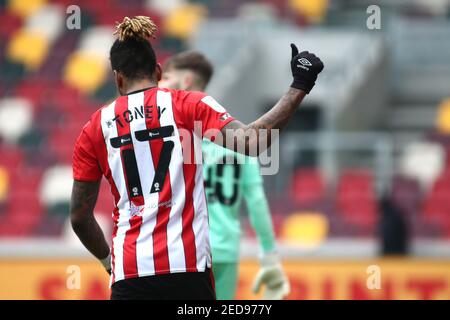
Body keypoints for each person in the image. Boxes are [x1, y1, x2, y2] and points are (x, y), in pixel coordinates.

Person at [70, 16, 323, 300]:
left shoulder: (94, 127)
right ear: (157, 71)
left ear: (117, 78)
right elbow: (252, 142)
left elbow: (80, 217)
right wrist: (300, 83)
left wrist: (109, 262)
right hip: (187, 271)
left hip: (130, 273)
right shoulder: (188, 104)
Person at [160, 51, 290, 300]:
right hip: (226, 249)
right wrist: (270, 256)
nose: (160, 83)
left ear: (185, 80)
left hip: (186, 248)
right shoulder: (238, 138)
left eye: (166, 77)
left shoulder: (175, 134)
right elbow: (256, 201)